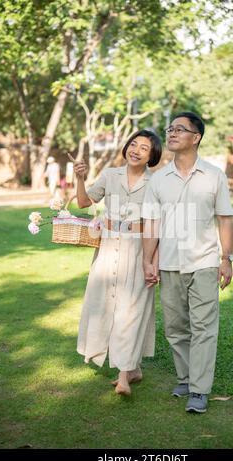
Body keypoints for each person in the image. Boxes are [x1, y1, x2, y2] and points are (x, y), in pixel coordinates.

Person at [142, 112, 233, 413]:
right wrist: (148, 260)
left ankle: (199, 389)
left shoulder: (214, 175)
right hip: (169, 263)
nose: (172, 133)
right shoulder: (158, 180)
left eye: (180, 129)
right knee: (175, 327)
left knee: (204, 326)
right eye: (170, 128)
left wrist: (226, 258)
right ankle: (185, 377)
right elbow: (152, 224)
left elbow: (225, 219)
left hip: (205, 262)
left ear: (196, 137)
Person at [75, 129, 162, 396]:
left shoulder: (155, 184)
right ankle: (132, 369)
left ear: (152, 156)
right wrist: (79, 178)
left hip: (139, 250)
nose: (135, 150)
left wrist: (152, 262)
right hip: (108, 247)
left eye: (144, 148)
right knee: (106, 306)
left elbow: (157, 227)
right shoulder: (110, 175)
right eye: (133, 144)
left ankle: (124, 376)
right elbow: (82, 202)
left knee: (131, 310)